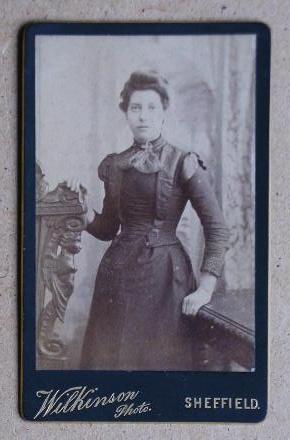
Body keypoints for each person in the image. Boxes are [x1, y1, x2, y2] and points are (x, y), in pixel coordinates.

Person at [72, 70, 229, 370]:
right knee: (113, 364)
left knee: (161, 365)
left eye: (151, 107)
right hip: (116, 279)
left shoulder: (183, 162)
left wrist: (206, 288)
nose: (143, 116)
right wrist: (82, 211)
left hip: (166, 281)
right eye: (136, 108)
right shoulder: (115, 164)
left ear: (164, 112)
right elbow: (107, 228)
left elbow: (217, 228)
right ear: (126, 113)